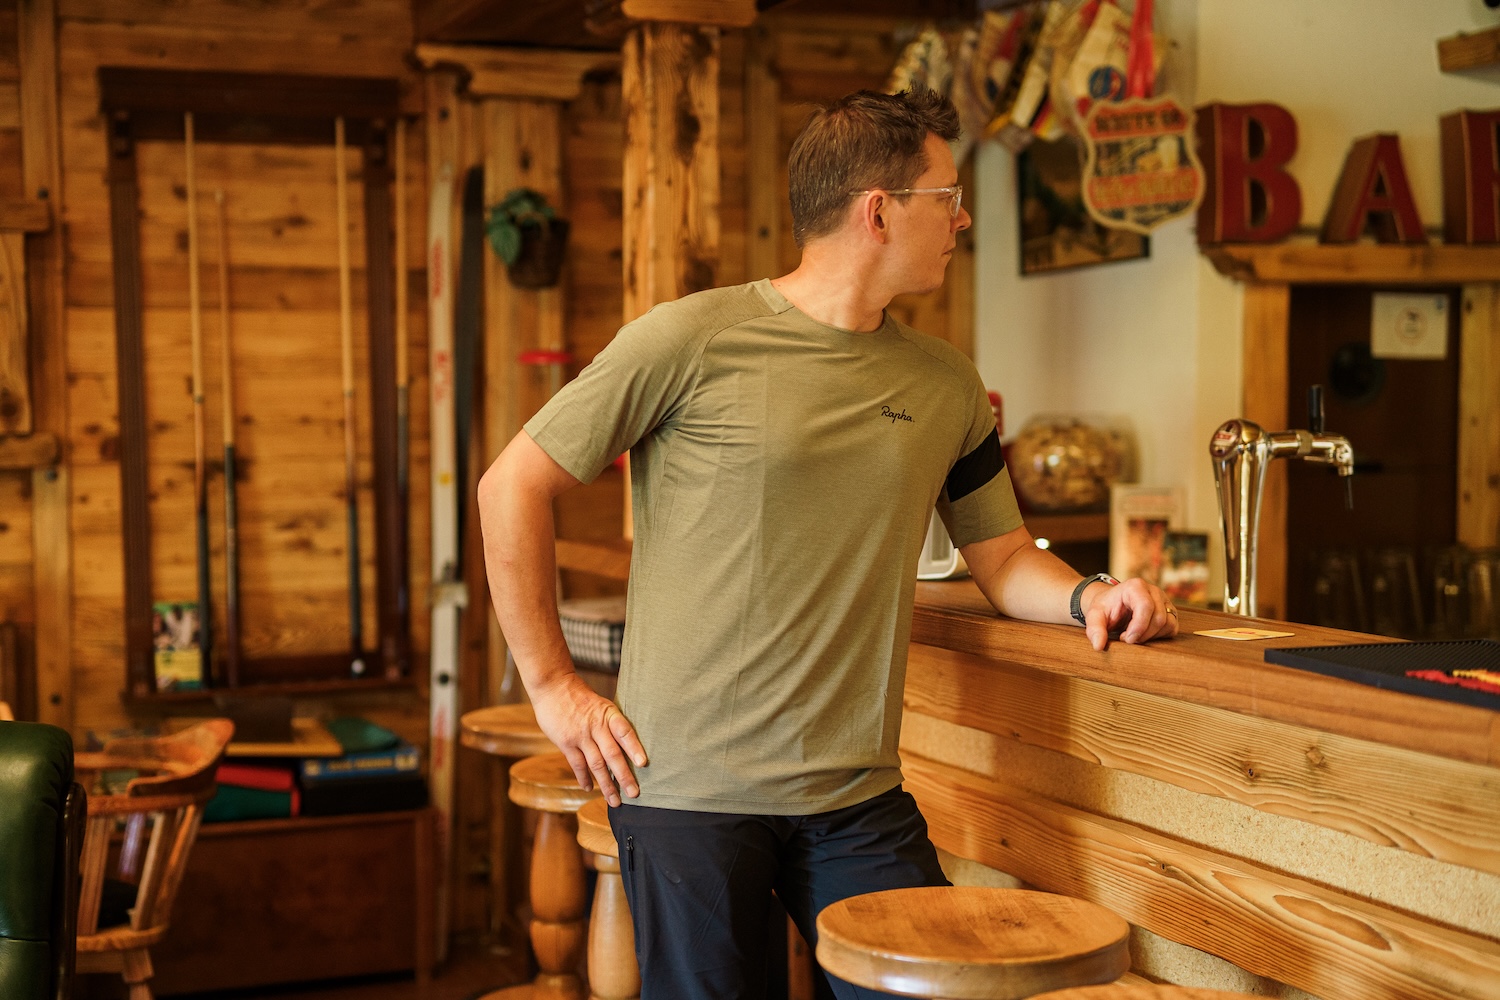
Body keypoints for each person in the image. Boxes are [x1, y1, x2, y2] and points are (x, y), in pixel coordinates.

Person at [478, 88, 1179, 1000]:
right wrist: (553, 687)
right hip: (687, 791)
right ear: (877, 211)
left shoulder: (948, 385)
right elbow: (511, 486)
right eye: (948, 196)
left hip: (856, 796)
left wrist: (1092, 596)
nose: (963, 217)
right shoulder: (689, 339)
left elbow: (1003, 558)